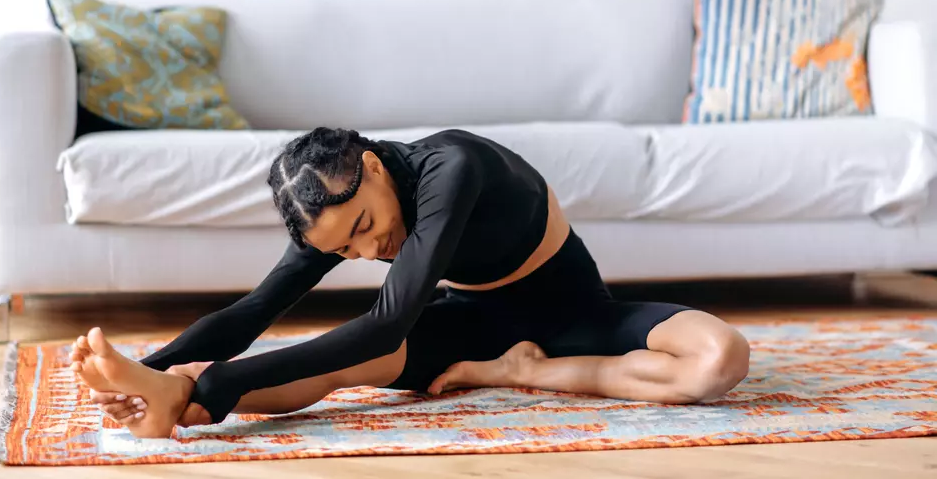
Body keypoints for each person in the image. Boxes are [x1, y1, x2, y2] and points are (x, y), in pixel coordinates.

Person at [68, 127, 750, 439]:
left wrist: (229, 379)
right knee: (345, 365)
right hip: (468, 329)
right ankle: (174, 398)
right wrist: (150, 363)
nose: (369, 249)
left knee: (721, 358)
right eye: (346, 248)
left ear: (370, 166)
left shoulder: (451, 168)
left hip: (578, 315)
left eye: (365, 225)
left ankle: (518, 374)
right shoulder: (335, 219)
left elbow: (389, 320)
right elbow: (256, 310)